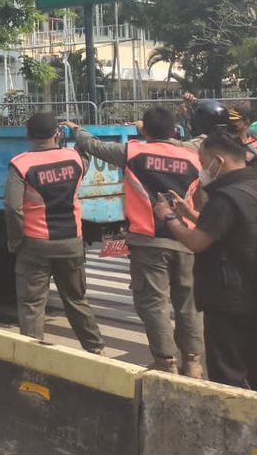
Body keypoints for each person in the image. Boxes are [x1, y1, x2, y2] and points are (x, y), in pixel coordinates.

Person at [65, 107, 205, 377]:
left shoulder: (133, 152)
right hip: (186, 240)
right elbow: (200, 139)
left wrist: (75, 129)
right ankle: (193, 361)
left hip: (148, 242)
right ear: (173, 130)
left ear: (144, 130)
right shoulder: (193, 155)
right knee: (188, 302)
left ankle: (165, 361)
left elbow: (92, 146)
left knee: (153, 303)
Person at [154, 131, 257, 392]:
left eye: (202, 161)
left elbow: (197, 241)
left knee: (227, 372)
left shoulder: (225, 197)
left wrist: (168, 217)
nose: (202, 169)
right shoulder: (256, 187)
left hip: (229, 299)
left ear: (218, 161)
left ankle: (231, 428)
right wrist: (188, 212)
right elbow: (224, 228)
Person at [5, 113, 104, 353]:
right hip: (72, 241)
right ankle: (96, 350)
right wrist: (75, 129)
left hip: (36, 244)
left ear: (29, 135)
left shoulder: (20, 164)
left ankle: (32, 357)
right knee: (77, 300)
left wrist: (16, 241)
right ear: (57, 134)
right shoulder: (75, 160)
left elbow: (13, 207)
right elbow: (88, 150)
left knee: (32, 305)